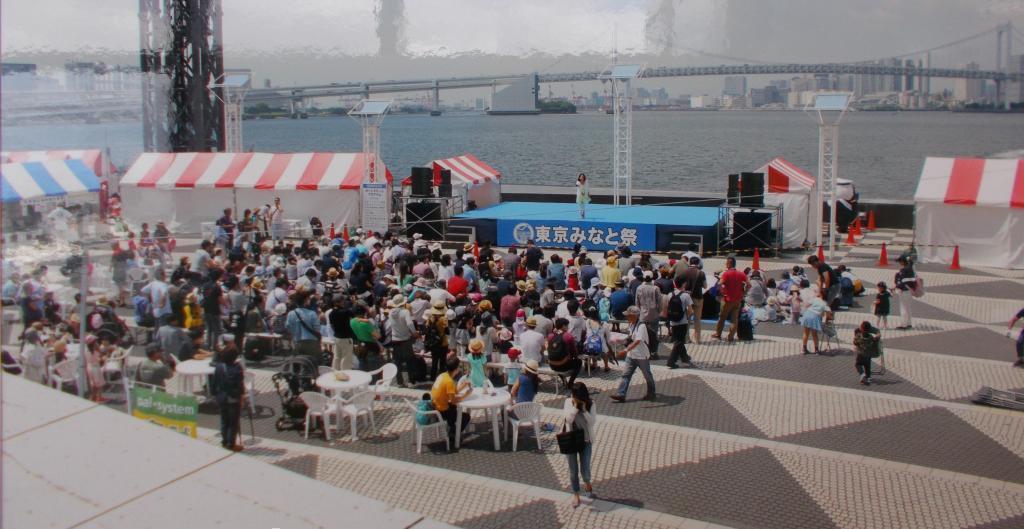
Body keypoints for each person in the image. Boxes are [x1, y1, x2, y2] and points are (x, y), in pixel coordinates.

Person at [610, 306, 656, 402]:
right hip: (632, 355)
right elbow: (631, 338)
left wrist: (625, 350)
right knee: (626, 374)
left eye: (628, 315)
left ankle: (651, 393)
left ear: (634, 316)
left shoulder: (641, 326)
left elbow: (637, 341)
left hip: (641, 356)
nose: (626, 317)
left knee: (647, 375)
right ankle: (621, 394)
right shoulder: (631, 325)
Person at [564, 381, 596, 507]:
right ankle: (576, 494)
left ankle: (587, 483)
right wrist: (575, 408)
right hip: (571, 439)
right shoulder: (568, 402)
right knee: (573, 470)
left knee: (585, 469)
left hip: (586, 440)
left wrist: (584, 410)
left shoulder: (591, 403)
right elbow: (568, 419)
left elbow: (592, 422)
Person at [211, 340, 246, 451]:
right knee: (233, 422)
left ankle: (224, 441)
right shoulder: (237, 368)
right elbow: (239, 384)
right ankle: (231, 444)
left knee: (224, 420)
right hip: (233, 398)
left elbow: (214, 383)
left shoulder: (219, 367)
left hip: (221, 397)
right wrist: (242, 397)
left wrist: (214, 394)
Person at [431, 356, 472, 449]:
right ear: (456, 369)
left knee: (454, 408)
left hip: (435, 406)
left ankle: (452, 429)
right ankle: (454, 435)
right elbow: (454, 400)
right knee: (466, 417)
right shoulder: (449, 381)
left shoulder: (443, 375)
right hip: (441, 411)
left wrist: (464, 385)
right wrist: (466, 394)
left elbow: (453, 391)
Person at [712, 257, 748, 342]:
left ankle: (718, 334)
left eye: (726, 263)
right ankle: (730, 336)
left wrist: (721, 291)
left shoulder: (726, 274)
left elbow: (719, 284)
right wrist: (744, 293)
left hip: (727, 299)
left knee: (722, 317)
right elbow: (748, 285)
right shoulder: (741, 274)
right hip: (738, 299)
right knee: (734, 319)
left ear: (728, 264)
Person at [387, 294, 419, 385]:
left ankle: (400, 382)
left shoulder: (390, 312)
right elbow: (409, 323)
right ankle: (411, 381)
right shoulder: (405, 312)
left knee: (398, 361)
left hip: (395, 339)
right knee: (409, 360)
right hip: (405, 339)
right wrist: (414, 333)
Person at [666, 277, 695, 369]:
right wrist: (688, 317)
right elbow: (690, 310)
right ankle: (671, 361)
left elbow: (667, 307)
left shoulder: (670, 294)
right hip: (682, 321)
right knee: (679, 342)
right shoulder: (686, 295)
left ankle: (684, 357)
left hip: (673, 321)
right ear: (683, 284)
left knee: (678, 340)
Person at [634, 271, 662, 360]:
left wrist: (638, 313)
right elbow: (660, 302)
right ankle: (654, 352)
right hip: (654, 314)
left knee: (643, 334)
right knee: (654, 334)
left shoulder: (639, 288)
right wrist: (659, 311)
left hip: (642, 314)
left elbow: (637, 302)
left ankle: (644, 352)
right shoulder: (655, 288)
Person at [286, 292, 322, 358]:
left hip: (297, 341)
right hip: (311, 341)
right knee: (311, 362)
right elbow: (317, 329)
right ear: (305, 300)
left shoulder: (291, 313)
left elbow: (288, 327)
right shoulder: (312, 314)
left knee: (297, 361)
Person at [801, 288, 832, 355]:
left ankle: (804, 349)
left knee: (806, 333)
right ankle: (816, 350)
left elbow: (806, 305)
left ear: (820, 293)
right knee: (814, 334)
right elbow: (828, 314)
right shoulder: (825, 303)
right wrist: (826, 318)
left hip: (807, 314)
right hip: (815, 317)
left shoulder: (815, 299)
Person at [425, 301, 450, 380]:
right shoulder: (444, 319)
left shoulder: (430, 318)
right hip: (442, 343)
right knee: (442, 363)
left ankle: (432, 378)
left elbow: (427, 329)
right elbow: (447, 332)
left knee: (434, 362)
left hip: (433, 343)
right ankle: (442, 379)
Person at [893, 256, 916, 330]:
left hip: (903, 291)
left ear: (902, 262)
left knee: (903, 307)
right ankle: (909, 323)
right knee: (908, 307)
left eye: (899, 261)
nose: (899, 263)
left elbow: (902, 281)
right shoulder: (911, 268)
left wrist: (896, 287)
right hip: (910, 290)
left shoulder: (904, 270)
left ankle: (903, 324)